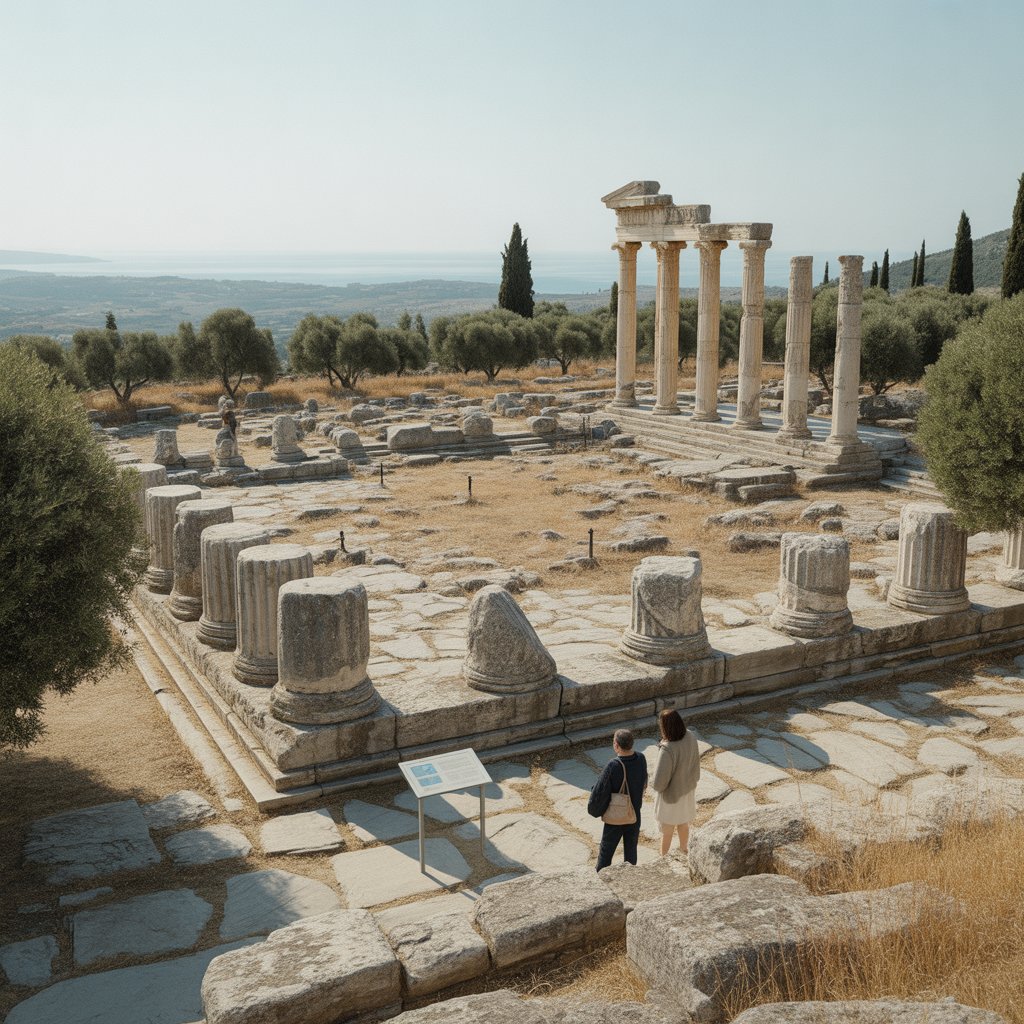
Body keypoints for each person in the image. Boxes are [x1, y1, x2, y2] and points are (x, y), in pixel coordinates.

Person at [587, 728, 648, 871]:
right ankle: (630, 878)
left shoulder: (613, 765)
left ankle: (601, 880)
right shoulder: (641, 758)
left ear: (616, 745)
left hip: (616, 816)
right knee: (631, 853)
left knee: (605, 854)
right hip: (634, 813)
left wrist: (594, 807)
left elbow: (601, 791)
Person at [650, 708, 700, 856]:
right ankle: (684, 849)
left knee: (667, 830)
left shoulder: (667, 749)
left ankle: (663, 857)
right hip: (687, 789)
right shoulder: (691, 736)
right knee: (684, 823)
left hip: (671, 795)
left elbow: (659, 782)